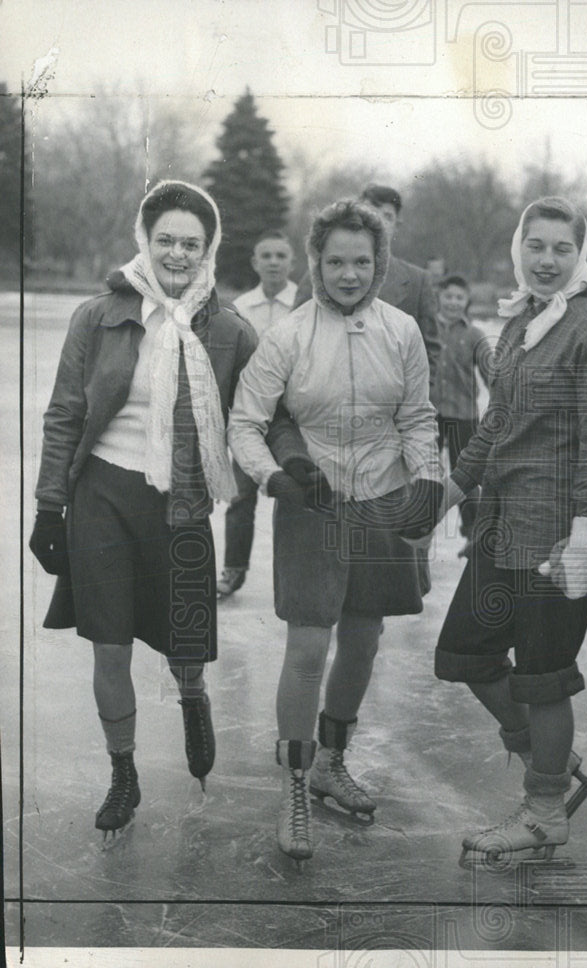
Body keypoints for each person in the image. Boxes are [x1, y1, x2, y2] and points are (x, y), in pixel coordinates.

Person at [28, 181, 258, 840]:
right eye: (166, 240)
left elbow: (260, 416)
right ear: (145, 241)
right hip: (101, 493)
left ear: (208, 248)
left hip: (181, 504)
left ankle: (192, 696)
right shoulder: (97, 316)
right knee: (109, 645)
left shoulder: (230, 328)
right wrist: (50, 508)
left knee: (185, 643)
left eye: (192, 243)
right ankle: (123, 772)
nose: (178, 253)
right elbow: (65, 414)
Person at [227, 199, 443, 863]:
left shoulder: (401, 330)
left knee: (364, 640)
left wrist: (430, 479)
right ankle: (295, 782)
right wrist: (272, 478)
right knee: (308, 647)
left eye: (362, 261)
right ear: (315, 263)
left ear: (378, 265)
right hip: (314, 503)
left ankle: (331, 761)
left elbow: (418, 417)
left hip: (381, 500)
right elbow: (244, 421)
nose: (349, 274)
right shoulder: (289, 334)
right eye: (336, 261)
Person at [428, 196, 587, 862]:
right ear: (519, 248)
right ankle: (550, 756)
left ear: (580, 253)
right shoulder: (518, 322)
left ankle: (545, 809)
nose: (546, 260)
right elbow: (496, 424)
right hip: (503, 519)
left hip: (556, 535)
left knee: (544, 674)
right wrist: (450, 490)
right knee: (465, 652)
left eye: (561, 248)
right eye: (536, 246)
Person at [293, 183, 441, 386]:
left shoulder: (418, 281)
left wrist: (413, 406)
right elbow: (295, 336)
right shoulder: (321, 274)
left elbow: (429, 353)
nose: (379, 221)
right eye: (371, 212)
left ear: (397, 224)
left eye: (387, 216)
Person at [218, 230, 298, 598]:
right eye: (265, 256)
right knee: (240, 495)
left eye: (280, 256)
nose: (273, 263)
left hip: (294, 417)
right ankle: (233, 570)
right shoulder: (239, 307)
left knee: (294, 495)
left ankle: (297, 576)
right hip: (250, 414)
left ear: (291, 261)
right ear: (254, 262)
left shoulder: (303, 302)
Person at [431, 274, 493, 556]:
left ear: (467, 301)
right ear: (439, 298)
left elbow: (492, 376)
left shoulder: (475, 335)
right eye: (448, 296)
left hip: (463, 415)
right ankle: (420, 534)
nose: (453, 302)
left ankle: (474, 535)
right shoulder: (425, 330)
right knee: (427, 475)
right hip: (427, 415)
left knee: (465, 475)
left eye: (459, 297)